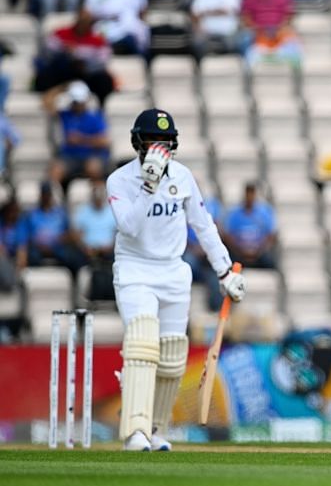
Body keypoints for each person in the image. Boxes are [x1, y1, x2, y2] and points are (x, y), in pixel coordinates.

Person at [105, 108, 246, 451]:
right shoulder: (120, 181)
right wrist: (148, 186)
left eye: (164, 143)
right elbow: (130, 227)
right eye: (153, 141)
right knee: (142, 344)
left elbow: (203, 225)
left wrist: (224, 271)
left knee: (171, 355)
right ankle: (134, 431)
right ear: (139, 144)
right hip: (135, 269)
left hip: (173, 271)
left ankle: (155, 429)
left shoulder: (182, 176)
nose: (158, 149)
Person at [222, 182, 277, 269]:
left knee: (270, 263)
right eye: (248, 194)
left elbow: (271, 236)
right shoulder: (234, 214)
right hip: (239, 254)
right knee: (228, 265)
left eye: (252, 194)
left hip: (259, 254)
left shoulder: (265, 213)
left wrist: (258, 251)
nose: (250, 197)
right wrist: (240, 251)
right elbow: (228, 236)